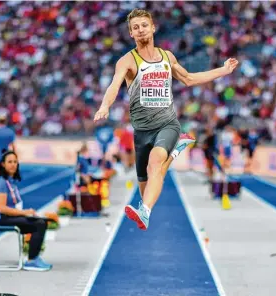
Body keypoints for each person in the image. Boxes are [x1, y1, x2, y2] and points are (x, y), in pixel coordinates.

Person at [93, 9, 239, 230]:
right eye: (135, 27)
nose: (140, 29)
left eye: (144, 25)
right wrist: (105, 105)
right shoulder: (127, 61)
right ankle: (177, 150)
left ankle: (145, 213)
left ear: (153, 27)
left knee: (155, 165)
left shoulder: (167, 57)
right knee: (147, 183)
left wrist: (223, 71)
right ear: (131, 33)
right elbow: (114, 85)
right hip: (142, 130)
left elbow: (189, 79)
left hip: (167, 124)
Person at [0, 150, 52, 271]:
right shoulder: (1, 182)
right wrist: (25, 212)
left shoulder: (11, 181)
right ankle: (32, 260)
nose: (13, 164)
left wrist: (27, 213)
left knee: (41, 222)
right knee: (39, 224)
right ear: (3, 164)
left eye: (15, 162)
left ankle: (33, 257)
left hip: (8, 217)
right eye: (9, 162)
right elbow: (1, 208)